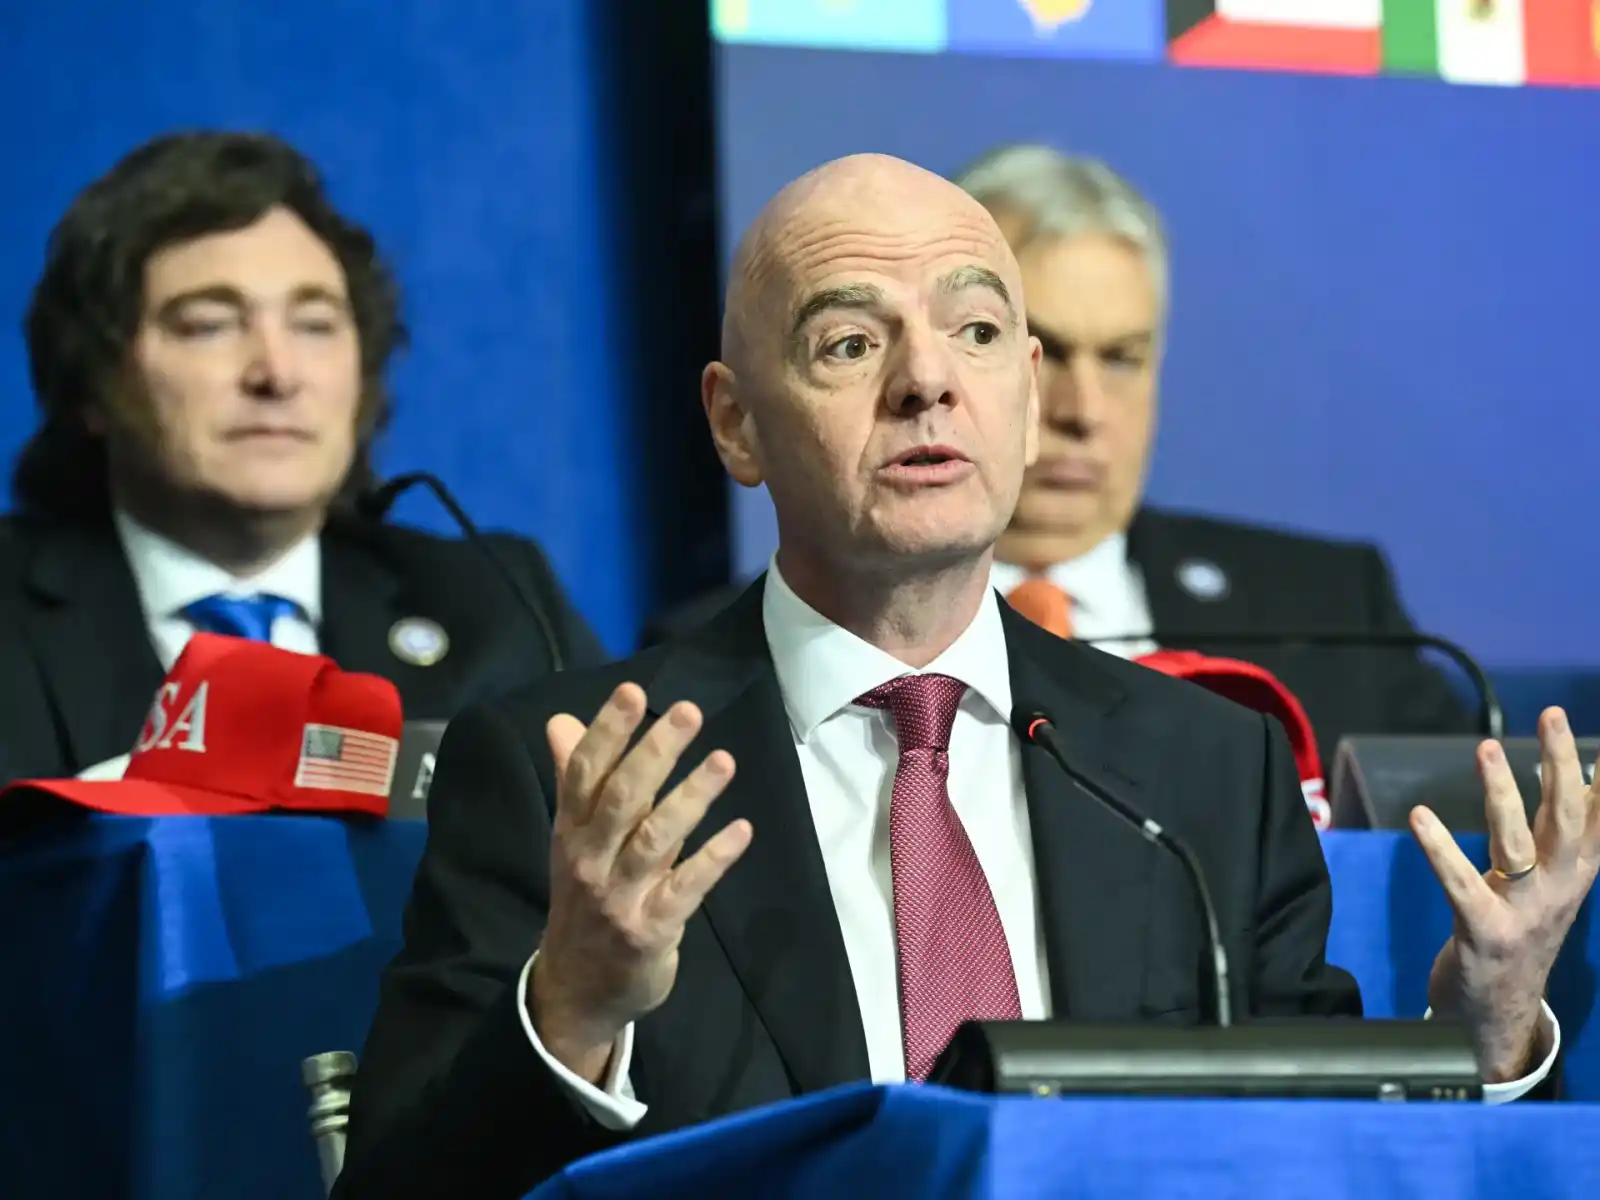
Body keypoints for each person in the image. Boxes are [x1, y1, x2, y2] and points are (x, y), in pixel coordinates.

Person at [337, 154, 1593, 1199]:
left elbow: (1315, 1163)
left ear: (1024, 398)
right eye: (847, 343)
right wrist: (571, 1011)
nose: (927, 380)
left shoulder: (1203, 770)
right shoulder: (578, 774)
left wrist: (1482, 1039)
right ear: (735, 422)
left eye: (976, 331)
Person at [641, 144, 1473, 766]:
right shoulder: (687, 678)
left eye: (1122, 358)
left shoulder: (1331, 616)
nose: (1082, 411)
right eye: (986, 338)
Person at [0, 131, 605, 786]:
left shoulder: (499, 608)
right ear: (93, 382)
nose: (278, 373)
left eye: (315, 325)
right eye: (210, 325)